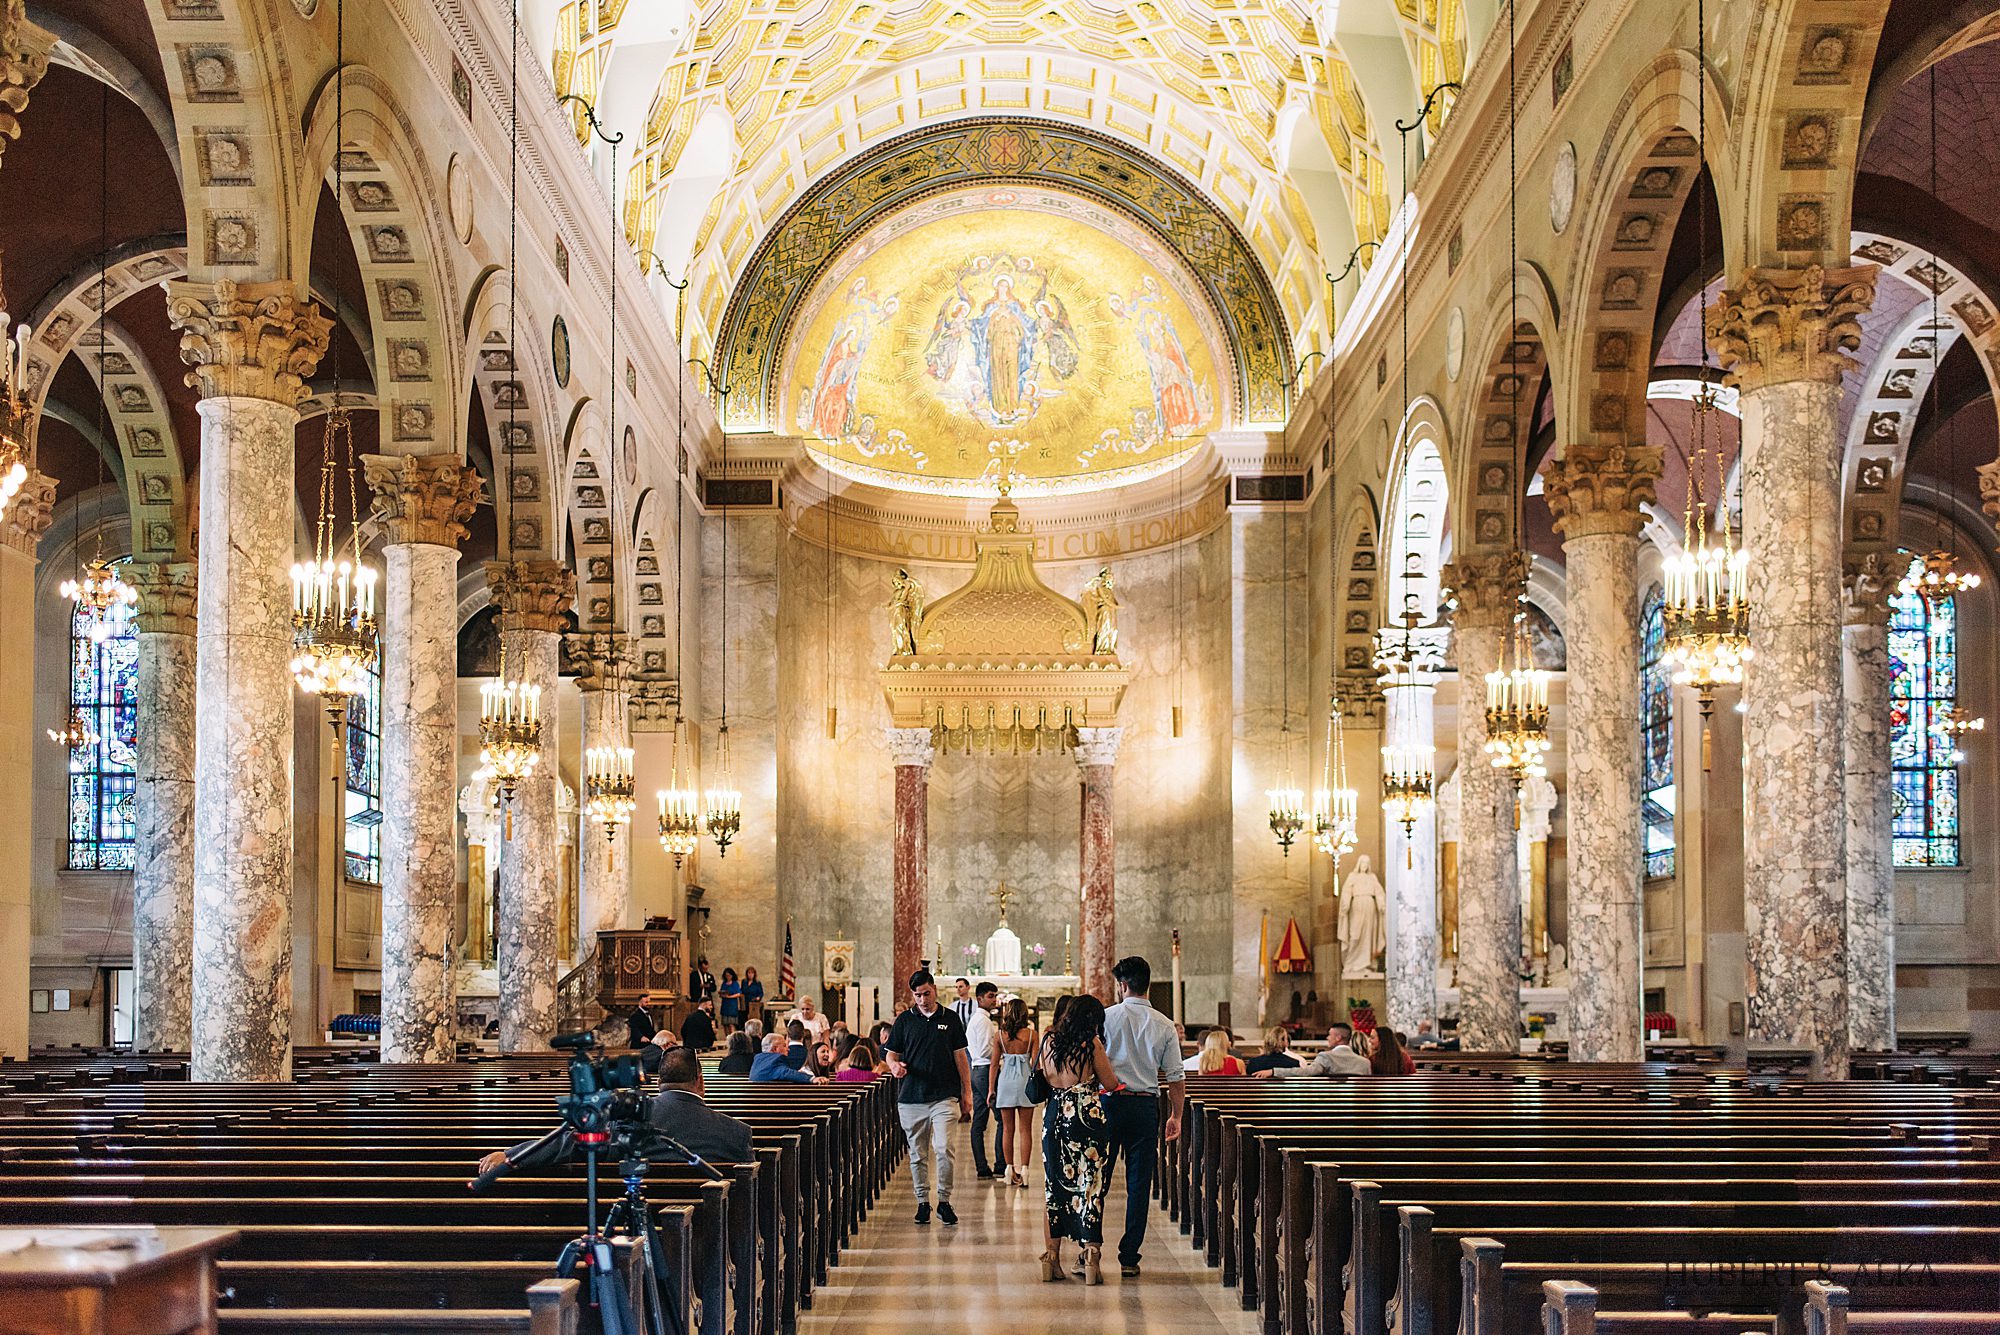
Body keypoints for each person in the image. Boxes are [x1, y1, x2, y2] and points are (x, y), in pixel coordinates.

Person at [474, 1046, 753, 1180]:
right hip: (713, 1238)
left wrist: (512, 1155)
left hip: (633, 1233)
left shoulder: (630, 1118)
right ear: (700, 1082)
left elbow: (570, 1141)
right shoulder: (736, 1132)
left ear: (658, 1082)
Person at [1097, 955, 1184, 1278]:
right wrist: (1175, 1115)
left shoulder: (1105, 1018)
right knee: (1138, 1184)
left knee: (1098, 1179)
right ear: (1146, 984)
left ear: (1122, 985)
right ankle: (1130, 1255)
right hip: (1146, 1105)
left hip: (1108, 1104)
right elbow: (1176, 1076)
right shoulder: (1164, 1024)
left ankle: (1090, 1245)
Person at [1036, 993, 1119, 1285]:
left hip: (1055, 1116)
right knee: (1091, 1186)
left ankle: (1051, 1257)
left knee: (1054, 1187)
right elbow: (1110, 1083)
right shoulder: (1091, 1043)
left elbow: (1042, 1078)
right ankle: (1090, 1255)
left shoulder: (1047, 1041)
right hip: (1086, 1117)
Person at [884, 970, 971, 1227]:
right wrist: (894, 1067)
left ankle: (944, 1200)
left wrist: (967, 1093)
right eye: (917, 995)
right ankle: (922, 1201)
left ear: (934, 989)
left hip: (944, 1094)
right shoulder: (904, 1021)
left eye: (926, 993)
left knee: (944, 1148)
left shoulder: (951, 1018)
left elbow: (961, 1058)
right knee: (918, 1154)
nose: (922, 999)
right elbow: (891, 1054)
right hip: (912, 1096)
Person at [989, 997, 1037, 1188]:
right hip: (1025, 1081)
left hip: (1006, 1082)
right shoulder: (1032, 1035)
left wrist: (991, 1089)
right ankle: (1024, 1170)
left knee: (1007, 1129)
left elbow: (993, 1064)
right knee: (1026, 1129)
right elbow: (1036, 1065)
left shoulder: (1000, 1035)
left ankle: (1009, 1170)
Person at [964, 981, 1003, 1180]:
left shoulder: (976, 1020)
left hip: (977, 1070)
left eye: (995, 995)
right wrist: (1002, 1050)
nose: (994, 999)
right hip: (986, 1070)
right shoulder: (984, 1021)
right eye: (990, 996)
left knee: (979, 1120)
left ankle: (982, 1167)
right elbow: (987, 1051)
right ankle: (1000, 1164)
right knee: (1002, 1119)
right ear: (979, 999)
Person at [1258, 1028, 1372, 1078]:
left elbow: (1307, 1072)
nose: (1327, 1037)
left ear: (1338, 1037)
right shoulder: (1365, 1063)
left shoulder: (1325, 1057)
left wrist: (1274, 1071)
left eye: (1330, 1034)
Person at [751, 1033, 827, 1084]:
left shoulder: (758, 1059)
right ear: (774, 1049)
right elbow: (785, 1072)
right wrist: (812, 1079)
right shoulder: (776, 1059)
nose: (788, 1049)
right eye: (784, 1046)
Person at [719, 968, 743, 1032]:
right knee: (725, 1024)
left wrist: (729, 997)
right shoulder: (724, 983)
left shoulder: (735, 983)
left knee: (731, 1023)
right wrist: (722, 994)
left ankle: (732, 1037)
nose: (728, 977)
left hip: (732, 1005)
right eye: (726, 975)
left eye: (729, 975)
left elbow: (738, 994)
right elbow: (721, 992)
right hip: (725, 1005)